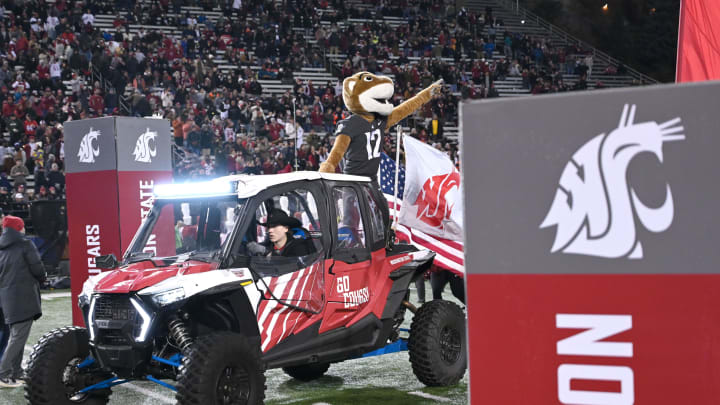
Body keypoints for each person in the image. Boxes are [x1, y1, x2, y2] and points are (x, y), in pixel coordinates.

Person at [0, 216, 45, 388]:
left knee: (16, 336)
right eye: (23, 226)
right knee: (18, 337)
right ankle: (3, 373)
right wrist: (43, 278)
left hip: (7, 299)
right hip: (23, 297)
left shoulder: (1, 247)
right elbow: (37, 267)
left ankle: (16, 372)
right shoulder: (25, 244)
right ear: (19, 228)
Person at [248, 209, 313, 257]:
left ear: (286, 228)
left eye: (274, 226)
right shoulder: (271, 243)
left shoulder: (298, 246)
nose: (270, 230)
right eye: (269, 227)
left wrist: (266, 252)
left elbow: (288, 264)